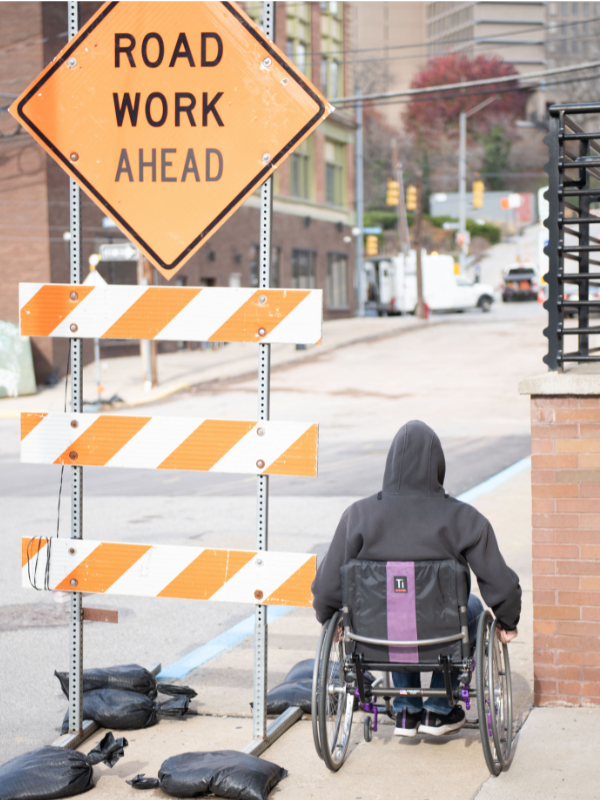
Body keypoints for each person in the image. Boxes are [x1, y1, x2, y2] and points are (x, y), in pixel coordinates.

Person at [311, 420, 521, 738]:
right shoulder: (464, 518)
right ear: (438, 467)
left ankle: (406, 708)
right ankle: (439, 709)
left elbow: (326, 586)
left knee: (393, 607)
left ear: (391, 465)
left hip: (379, 637)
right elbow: (501, 583)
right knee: (473, 608)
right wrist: (507, 619)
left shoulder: (358, 516)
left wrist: (329, 618)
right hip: (442, 635)